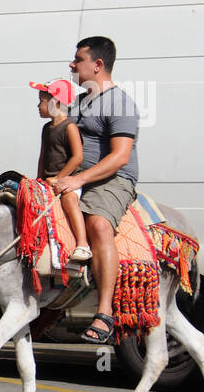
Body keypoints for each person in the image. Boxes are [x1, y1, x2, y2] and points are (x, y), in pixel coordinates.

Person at [51, 36, 142, 343]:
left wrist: (78, 180)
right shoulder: (78, 103)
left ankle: (105, 313)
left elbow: (120, 156)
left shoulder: (120, 102)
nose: (72, 65)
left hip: (112, 180)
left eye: (78, 59)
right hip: (74, 177)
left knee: (99, 225)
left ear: (98, 65)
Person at [30, 79, 91, 263]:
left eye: (41, 100)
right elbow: (43, 156)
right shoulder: (46, 129)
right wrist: (39, 179)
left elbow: (77, 157)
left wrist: (59, 177)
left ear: (55, 101)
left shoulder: (69, 127)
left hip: (68, 180)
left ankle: (82, 244)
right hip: (48, 181)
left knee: (69, 200)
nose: (38, 105)